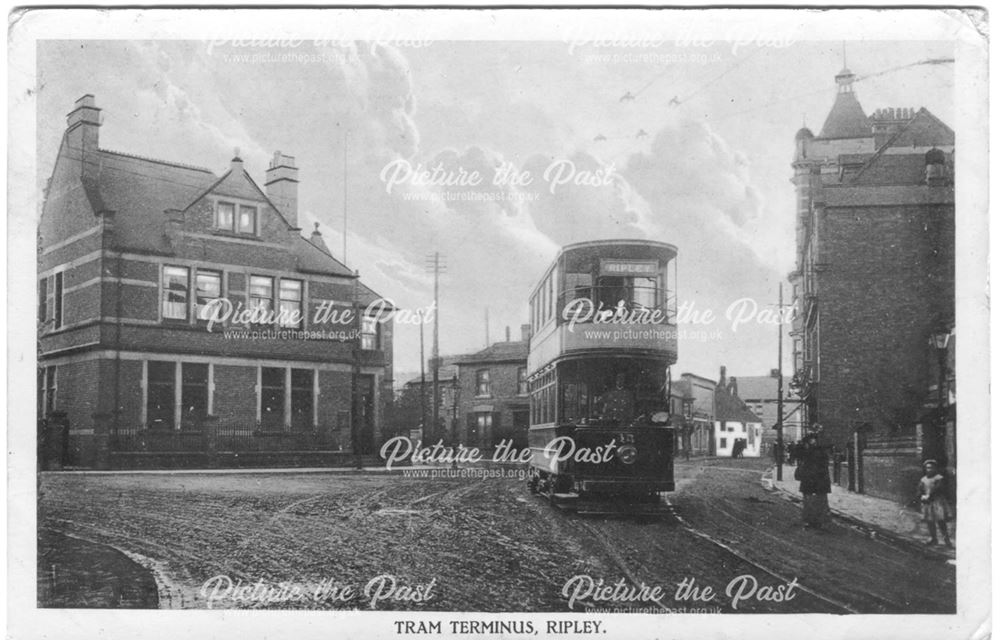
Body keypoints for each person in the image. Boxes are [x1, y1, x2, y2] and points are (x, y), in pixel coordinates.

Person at [794, 434, 831, 528]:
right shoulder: (806, 451)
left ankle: (817, 521)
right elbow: (797, 454)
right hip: (811, 480)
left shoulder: (818, 451)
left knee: (818, 501)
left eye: (813, 440)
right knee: (810, 501)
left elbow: (823, 465)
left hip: (818, 479)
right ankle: (812, 520)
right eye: (811, 440)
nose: (812, 442)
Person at [918, 459, 953, 548]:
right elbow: (920, 489)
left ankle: (946, 540)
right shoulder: (924, 479)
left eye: (931, 468)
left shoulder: (938, 478)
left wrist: (930, 495)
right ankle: (934, 538)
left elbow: (938, 489)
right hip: (928, 503)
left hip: (937, 502)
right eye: (927, 468)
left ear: (935, 468)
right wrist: (921, 496)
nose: (929, 470)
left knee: (941, 521)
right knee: (930, 521)